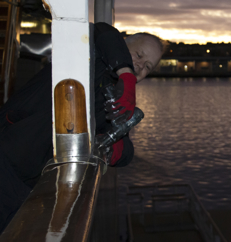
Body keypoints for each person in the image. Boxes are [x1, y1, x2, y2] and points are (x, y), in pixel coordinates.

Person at [0, 22, 164, 233]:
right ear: (123, 46)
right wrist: (126, 72)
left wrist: (114, 150)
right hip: (6, 155)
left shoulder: (115, 98)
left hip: (29, 181)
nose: (141, 66)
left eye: (148, 66)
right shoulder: (88, 58)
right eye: (139, 55)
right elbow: (101, 29)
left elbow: (126, 150)